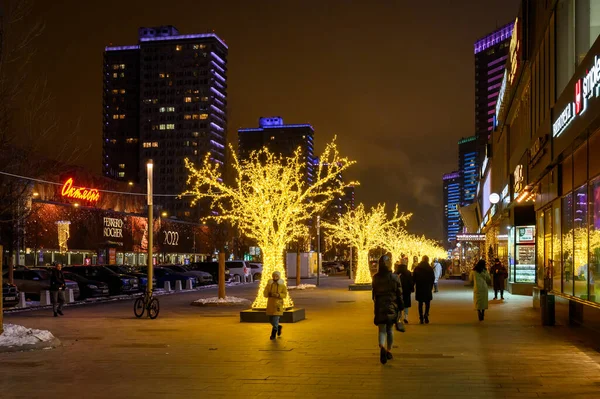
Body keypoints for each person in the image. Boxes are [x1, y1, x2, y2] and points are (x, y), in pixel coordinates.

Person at [372, 254, 403, 365]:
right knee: (390, 329)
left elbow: (374, 295)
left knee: (381, 330)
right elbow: (399, 294)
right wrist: (401, 307)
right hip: (392, 306)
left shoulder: (375, 277)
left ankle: (382, 347)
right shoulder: (395, 277)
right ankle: (389, 351)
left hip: (380, 306)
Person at [413, 255, 435, 324]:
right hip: (427, 288)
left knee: (420, 303)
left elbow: (414, 278)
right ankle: (426, 314)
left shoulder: (417, 268)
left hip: (419, 287)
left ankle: (421, 317)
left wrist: (413, 286)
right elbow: (432, 278)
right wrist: (431, 286)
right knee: (427, 303)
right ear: (428, 260)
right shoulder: (430, 268)